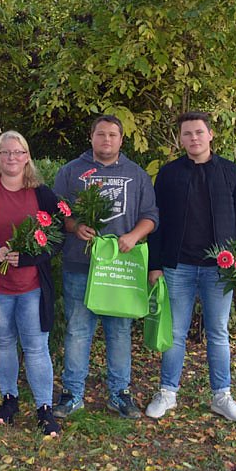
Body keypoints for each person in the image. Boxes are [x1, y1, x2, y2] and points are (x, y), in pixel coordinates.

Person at [145, 111, 236, 423]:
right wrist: (155, 265)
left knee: (218, 332)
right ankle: (168, 393)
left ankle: (222, 396)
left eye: (198, 132)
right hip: (177, 266)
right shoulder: (168, 175)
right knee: (175, 332)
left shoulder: (231, 173)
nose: (193, 138)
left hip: (220, 270)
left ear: (210, 135)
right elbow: (156, 223)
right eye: (187, 133)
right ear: (180, 139)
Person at [52, 115, 159, 420]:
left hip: (120, 269)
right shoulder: (71, 171)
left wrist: (134, 236)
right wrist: (75, 226)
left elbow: (151, 216)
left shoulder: (136, 174)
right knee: (78, 331)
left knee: (120, 331)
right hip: (80, 265)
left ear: (121, 140)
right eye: (101, 134)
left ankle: (119, 394)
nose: (107, 140)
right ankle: (72, 394)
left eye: (113, 135)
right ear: (91, 137)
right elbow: (57, 212)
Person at [0, 130, 62, 437]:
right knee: (3, 343)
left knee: (36, 347)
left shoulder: (42, 194)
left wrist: (30, 258)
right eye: (5, 152)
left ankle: (44, 408)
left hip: (32, 286)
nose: (12, 158)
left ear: (27, 156)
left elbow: (57, 238)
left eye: (18, 152)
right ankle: (9, 399)